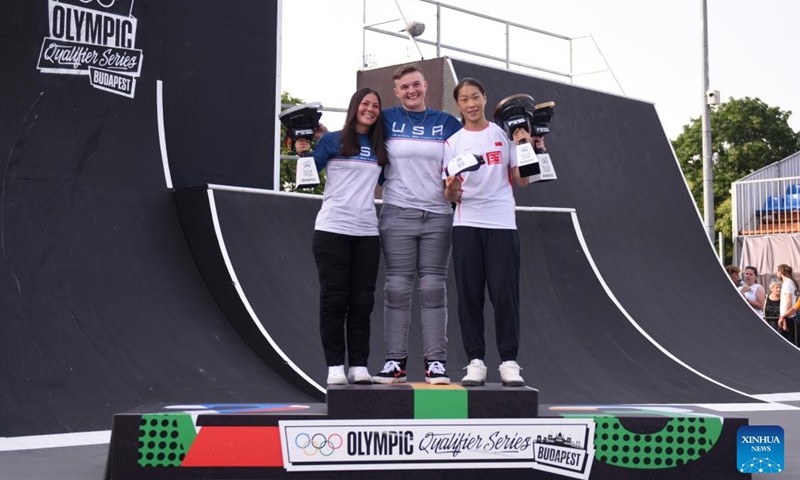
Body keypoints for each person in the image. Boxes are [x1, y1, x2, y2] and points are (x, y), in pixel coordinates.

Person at [442, 77, 543, 387]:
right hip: (466, 223)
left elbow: (522, 181)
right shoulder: (453, 143)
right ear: (458, 105)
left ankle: (509, 361)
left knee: (504, 294)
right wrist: (453, 188)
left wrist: (526, 146)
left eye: (475, 97)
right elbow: (450, 196)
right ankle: (475, 362)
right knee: (469, 296)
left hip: (501, 222)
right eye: (464, 100)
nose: (471, 104)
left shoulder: (504, 135)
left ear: (485, 99)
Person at [372, 64, 463, 385]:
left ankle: (435, 362)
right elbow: (354, 136)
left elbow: (471, 154)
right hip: (397, 212)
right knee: (396, 287)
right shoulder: (386, 120)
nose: (411, 91)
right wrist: (320, 138)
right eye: (404, 87)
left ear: (426, 86)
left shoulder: (448, 123)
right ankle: (394, 362)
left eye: (416, 85)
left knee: (433, 286)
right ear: (396, 92)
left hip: (438, 214)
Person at [295, 88, 389, 385]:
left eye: (375, 106)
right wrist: (303, 153)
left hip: (366, 233)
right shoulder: (332, 140)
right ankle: (335, 366)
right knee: (334, 300)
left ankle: (359, 366)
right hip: (332, 230)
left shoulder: (380, 147)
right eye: (365, 103)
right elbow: (307, 181)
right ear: (354, 107)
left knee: (363, 302)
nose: (370, 109)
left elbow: (392, 181)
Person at [777, 264, 799, 343]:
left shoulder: (787, 283)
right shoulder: (792, 283)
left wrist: (783, 317)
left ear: (780, 272)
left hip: (788, 317)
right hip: (790, 316)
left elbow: (788, 302)